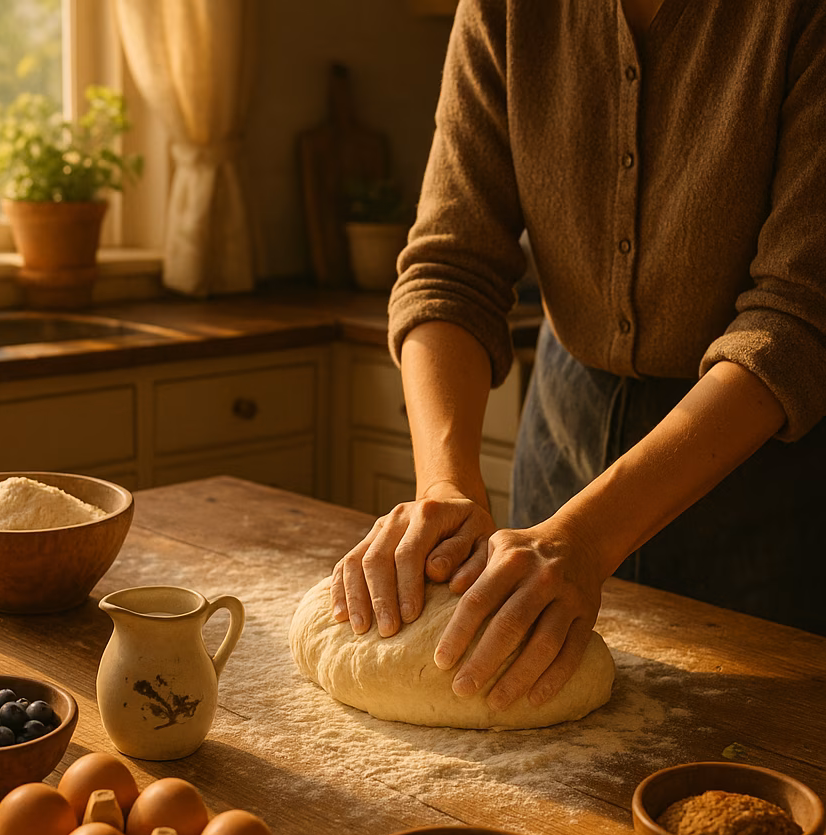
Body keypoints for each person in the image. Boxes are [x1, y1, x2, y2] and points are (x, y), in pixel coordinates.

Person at [331, 0, 826, 714]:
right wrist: (447, 486)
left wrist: (589, 539)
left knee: (751, 745)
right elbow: (449, 267)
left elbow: (799, 315)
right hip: (564, 434)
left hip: (762, 462)